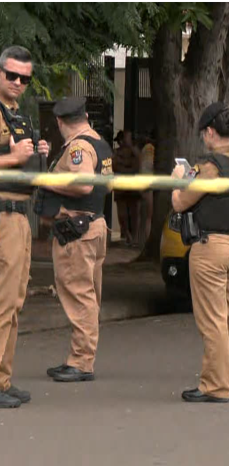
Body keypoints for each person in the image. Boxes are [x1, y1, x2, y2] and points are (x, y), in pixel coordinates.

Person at [172, 102, 229, 403]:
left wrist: (178, 178)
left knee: (213, 319)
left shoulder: (210, 166)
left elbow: (181, 202)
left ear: (210, 131)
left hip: (211, 249)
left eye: (202, 134)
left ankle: (214, 386)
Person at [35, 97, 113, 383]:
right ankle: (79, 357)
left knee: (80, 296)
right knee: (89, 295)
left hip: (76, 232)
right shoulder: (100, 143)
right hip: (94, 226)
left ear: (59, 121)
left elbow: (83, 184)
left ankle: (81, 362)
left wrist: (45, 181)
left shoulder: (79, 147)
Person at [0, 45, 49, 408]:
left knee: (14, 303)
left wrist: (37, 157)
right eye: (11, 75)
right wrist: (12, 157)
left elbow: (30, 173)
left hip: (20, 216)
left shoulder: (21, 117)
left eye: (25, 78)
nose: (18, 82)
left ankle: (3, 380)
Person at [112, 129, 141, 246]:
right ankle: (128, 236)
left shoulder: (134, 152)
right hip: (120, 185)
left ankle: (134, 237)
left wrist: (124, 169)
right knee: (122, 214)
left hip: (132, 185)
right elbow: (115, 167)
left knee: (134, 213)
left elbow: (137, 167)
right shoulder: (115, 152)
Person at [140, 130, 155, 242]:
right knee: (149, 217)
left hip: (144, 183)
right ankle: (147, 240)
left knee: (146, 216)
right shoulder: (150, 149)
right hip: (149, 184)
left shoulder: (145, 149)